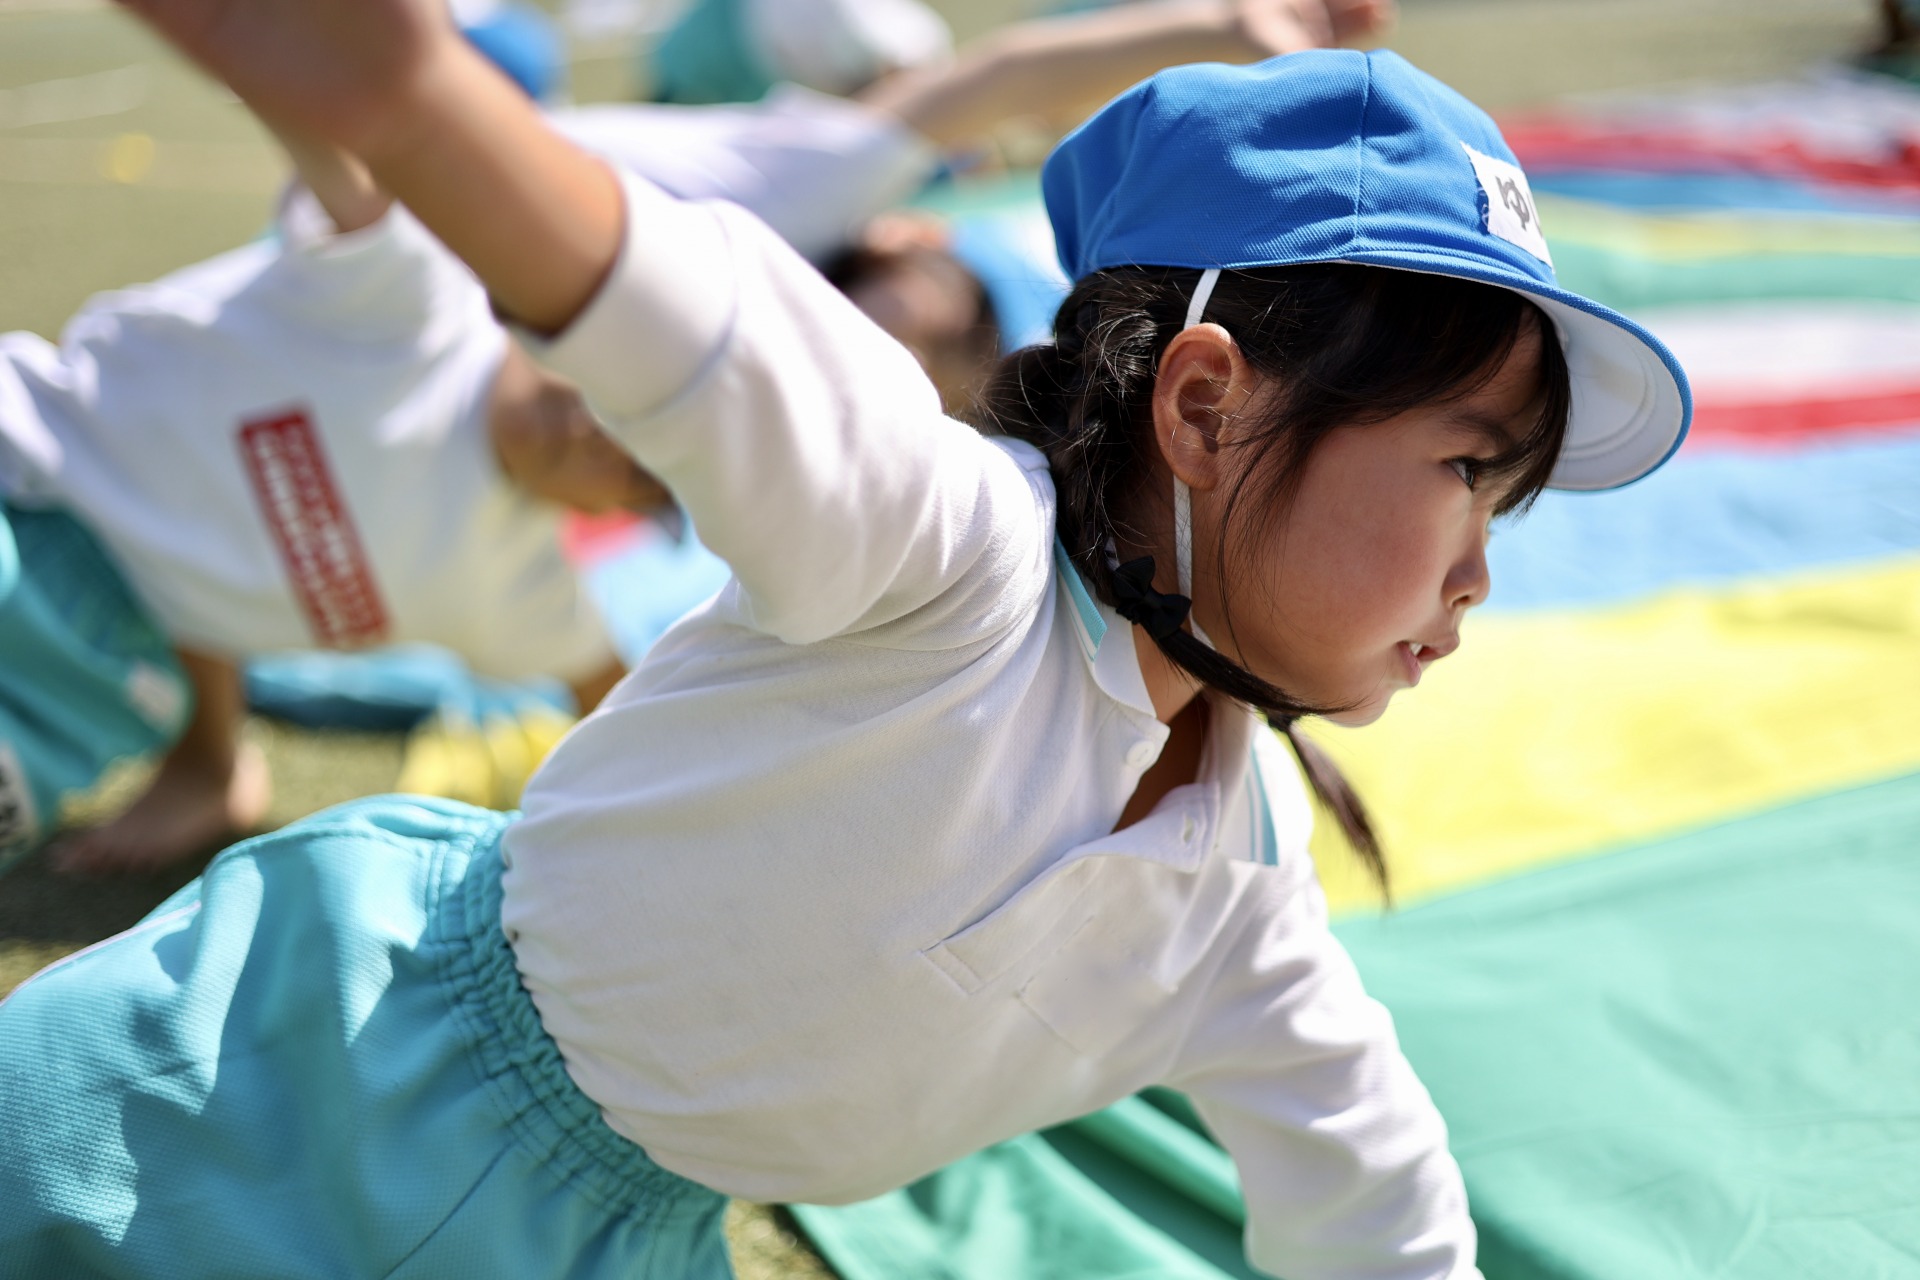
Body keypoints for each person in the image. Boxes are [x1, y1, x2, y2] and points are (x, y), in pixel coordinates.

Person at [0, 2, 1690, 1277]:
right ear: (1202, 406)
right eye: (1466, 472)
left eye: (1508, 502)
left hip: (600, 1239)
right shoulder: (949, 555)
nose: (1479, 571)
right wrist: (414, 101)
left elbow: (1375, 1197)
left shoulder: (1234, 897)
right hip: (290, 1064)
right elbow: (709, 338)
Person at [0, 126, 653, 877]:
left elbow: (629, 713)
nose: (600, 428)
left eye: (640, 458)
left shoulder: (522, 590)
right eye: (613, 382)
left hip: (104, 676)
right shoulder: (414, 291)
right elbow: (339, 126)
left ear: (620, 513)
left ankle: (209, 768)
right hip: (26, 467)